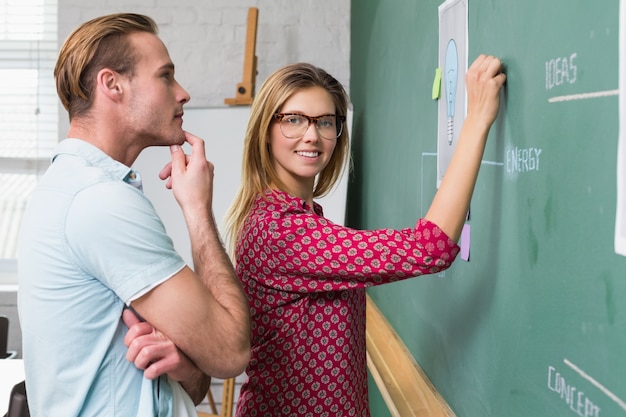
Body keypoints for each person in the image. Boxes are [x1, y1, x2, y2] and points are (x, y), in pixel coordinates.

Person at [224, 58, 506, 416]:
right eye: (293, 120)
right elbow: (429, 248)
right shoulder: (280, 229)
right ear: (266, 129)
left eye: (325, 122)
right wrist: (477, 119)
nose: (312, 135)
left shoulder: (303, 217)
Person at [17, 13, 251, 417]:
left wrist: (183, 361)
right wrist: (197, 210)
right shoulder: (98, 201)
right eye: (165, 76)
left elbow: (190, 384)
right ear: (112, 85)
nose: (183, 93)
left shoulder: (72, 187)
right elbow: (230, 351)